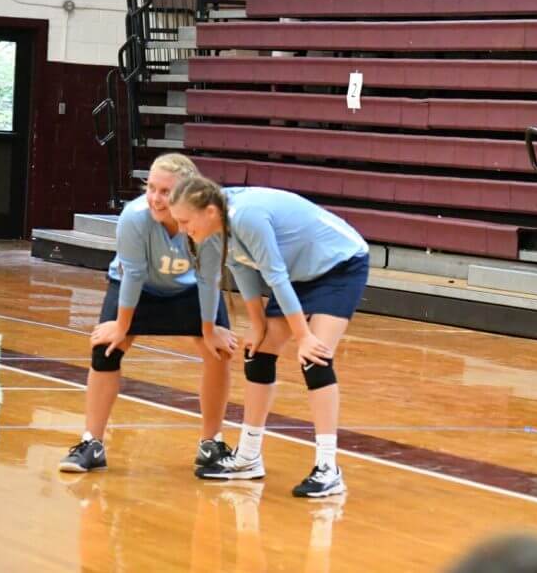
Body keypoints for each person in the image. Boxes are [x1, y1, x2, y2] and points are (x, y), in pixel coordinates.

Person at [169, 179, 369, 498]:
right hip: (298, 273)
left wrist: (303, 336)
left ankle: (328, 468)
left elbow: (275, 276)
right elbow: (242, 268)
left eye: (184, 221)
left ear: (208, 212)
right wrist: (258, 325)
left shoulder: (247, 216)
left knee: (315, 358)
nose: (182, 230)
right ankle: (249, 457)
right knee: (258, 353)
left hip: (339, 265)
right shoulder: (214, 224)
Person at [58, 154, 236, 473]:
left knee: (219, 351)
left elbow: (210, 278)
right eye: (151, 187)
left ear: (188, 192)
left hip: (190, 289)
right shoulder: (134, 217)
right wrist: (121, 326)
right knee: (106, 349)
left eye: (165, 191)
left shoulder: (206, 218)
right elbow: (133, 274)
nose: (155, 198)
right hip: (140, 288)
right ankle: (92, 443)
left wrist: (209, 331)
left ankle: (211, 443)